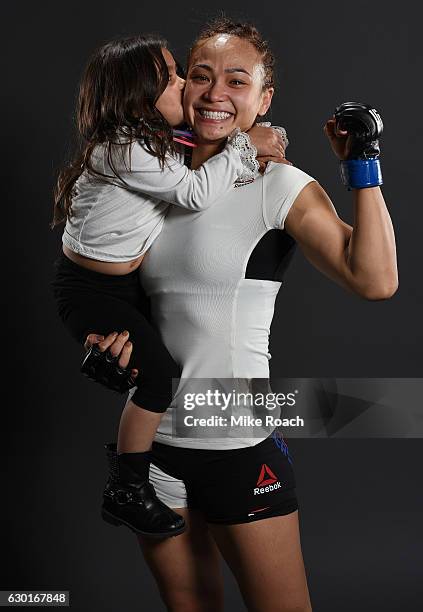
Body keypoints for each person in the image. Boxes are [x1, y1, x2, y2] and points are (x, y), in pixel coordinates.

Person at [82, 17, 397, 612]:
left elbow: (375, 279)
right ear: (177, 88)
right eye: (200, 76)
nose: (215, 93)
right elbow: (116, 289)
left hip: (235, 440)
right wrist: (107, 339)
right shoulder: (148, 177)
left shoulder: (275, 184)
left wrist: (364, 165)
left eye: (237, 80)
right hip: (150, 449)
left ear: (263, 98)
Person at [50, 35, 287, 539]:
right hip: (91, 288)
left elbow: (199, 158)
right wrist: (248, 145)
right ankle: (128, 486)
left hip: (121, 287)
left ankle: (139, 462)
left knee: (145, 360)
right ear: (138, 98)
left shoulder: (156, 141)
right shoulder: (124, 150)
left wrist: (253, 153)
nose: (187, 87)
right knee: (158, 378)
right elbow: (197, 190)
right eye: (176, 79)